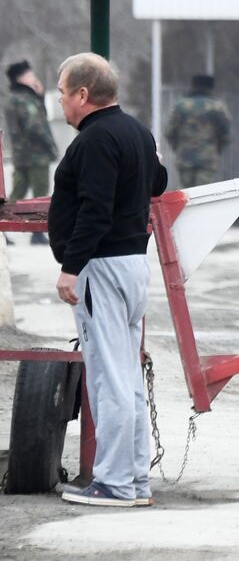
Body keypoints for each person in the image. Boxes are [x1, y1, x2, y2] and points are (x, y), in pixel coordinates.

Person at [47, 53, 167, 508]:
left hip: (102, 266)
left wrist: (71, 266)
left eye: (62, 91)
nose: (60, 100)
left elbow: (94, 208)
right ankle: (134, 480)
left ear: (83, 94)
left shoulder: (95, 140)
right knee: (128, 377)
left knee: (109, 377)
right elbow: (158, 181)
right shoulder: (137, 132)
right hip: (133, 263)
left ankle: (114, 483)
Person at [5, 60, 59, 245]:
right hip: (36, 155)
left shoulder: (16, 97)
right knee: (40, 193)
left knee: (17, 192)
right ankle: (37, 231)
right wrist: (50, 146)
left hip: (22, 154)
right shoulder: (24, 99)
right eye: (30, 74)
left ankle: (3, 226)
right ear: (21, 78)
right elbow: (36, 126)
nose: (33, 77)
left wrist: (41, 97)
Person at [163, 74, 232, 187]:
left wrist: (177, 147)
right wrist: (216, 149)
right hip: (208, 159)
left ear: (193, 86)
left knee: (186, 195)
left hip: (185, 157)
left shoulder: (181, 106)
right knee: (203, 195)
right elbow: (226, 134)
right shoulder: (217, 107)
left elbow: (169, 131)